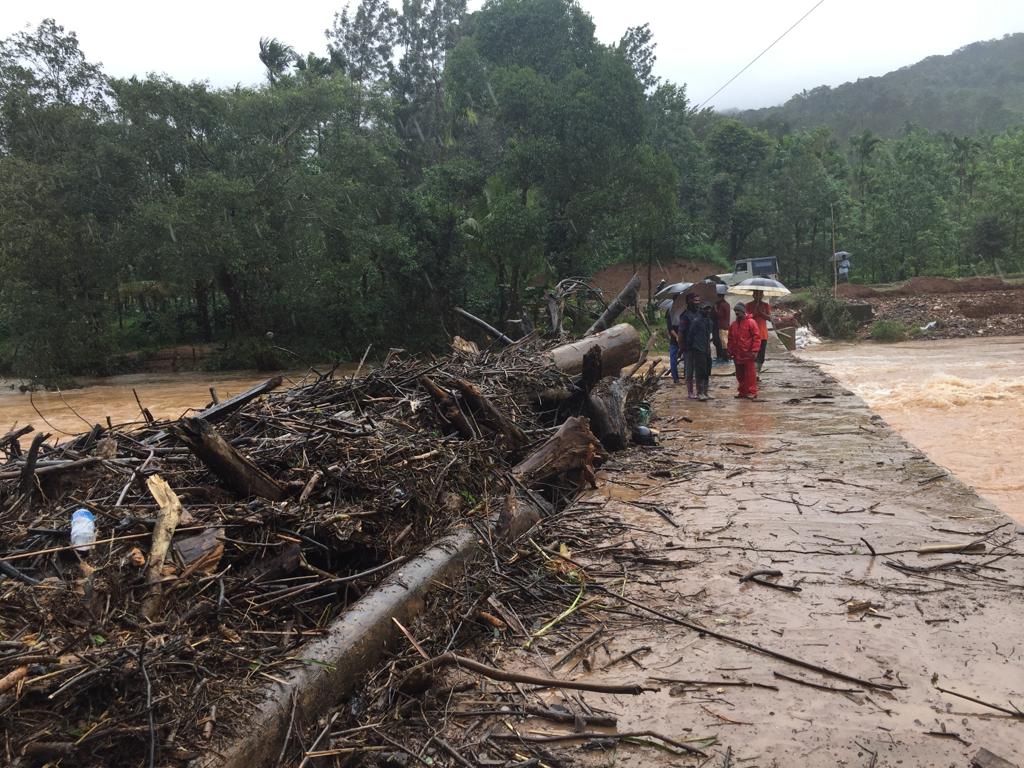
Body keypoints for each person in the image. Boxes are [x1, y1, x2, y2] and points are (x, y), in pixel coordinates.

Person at [728, 303, 760, 399]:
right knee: (740, 375)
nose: (736, 313)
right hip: (737, 354)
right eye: (735, 311)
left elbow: (756, 337)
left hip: (748, 353)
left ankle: (752, 392)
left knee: (750, 374)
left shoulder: (751, 322)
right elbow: (730, 339)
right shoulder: (733, 325)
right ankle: (742, 392)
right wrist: (730, 351)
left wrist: (754, 351)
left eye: (738, 311)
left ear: (743, 311)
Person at [687, 303, 715, 400]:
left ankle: (706, 392)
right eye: (705, 309)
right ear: (701, 310)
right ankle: (700, 393)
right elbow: (690, 336)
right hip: (698, 349)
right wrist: (692, 348)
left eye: (709, 309)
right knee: (700, 371)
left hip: (707, 350)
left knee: (707, 371)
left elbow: (710, 336)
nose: (707, 311)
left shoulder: (710, 322)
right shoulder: (696, 322)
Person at [677, 292, 702, 400]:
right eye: (695, 301)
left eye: (698, 301)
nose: (697, 303)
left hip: (700, 347)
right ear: (689, 302)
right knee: (689, 370)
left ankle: (700, 390)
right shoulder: (685, 316)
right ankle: (690, 391)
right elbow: (681, 333)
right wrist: (681, 347)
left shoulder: (701, 313)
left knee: (700, 370)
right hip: (689, 347)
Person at [745, 289, 771, 375]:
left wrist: (761, 312)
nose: (759, 296)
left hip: (763, 335)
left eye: (761, 294)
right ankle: (753, 372)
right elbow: (746, 318)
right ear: (753, 295)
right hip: (751, 334)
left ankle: (757, 371)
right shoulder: (748, 305)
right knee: (752, 354)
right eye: (756, 294)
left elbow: (769, 318)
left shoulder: (766, 305)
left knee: (761, 355)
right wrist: (755, 313)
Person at [714, 285, 731, 362]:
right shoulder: (727, 304)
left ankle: (725, 358)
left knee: (724, 343)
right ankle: (725, 357)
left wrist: (715, 308)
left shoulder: (722, 305)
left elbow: (719, 315)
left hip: (722, 326)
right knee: (725, 342)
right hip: (726, 326)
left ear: (720, 297)